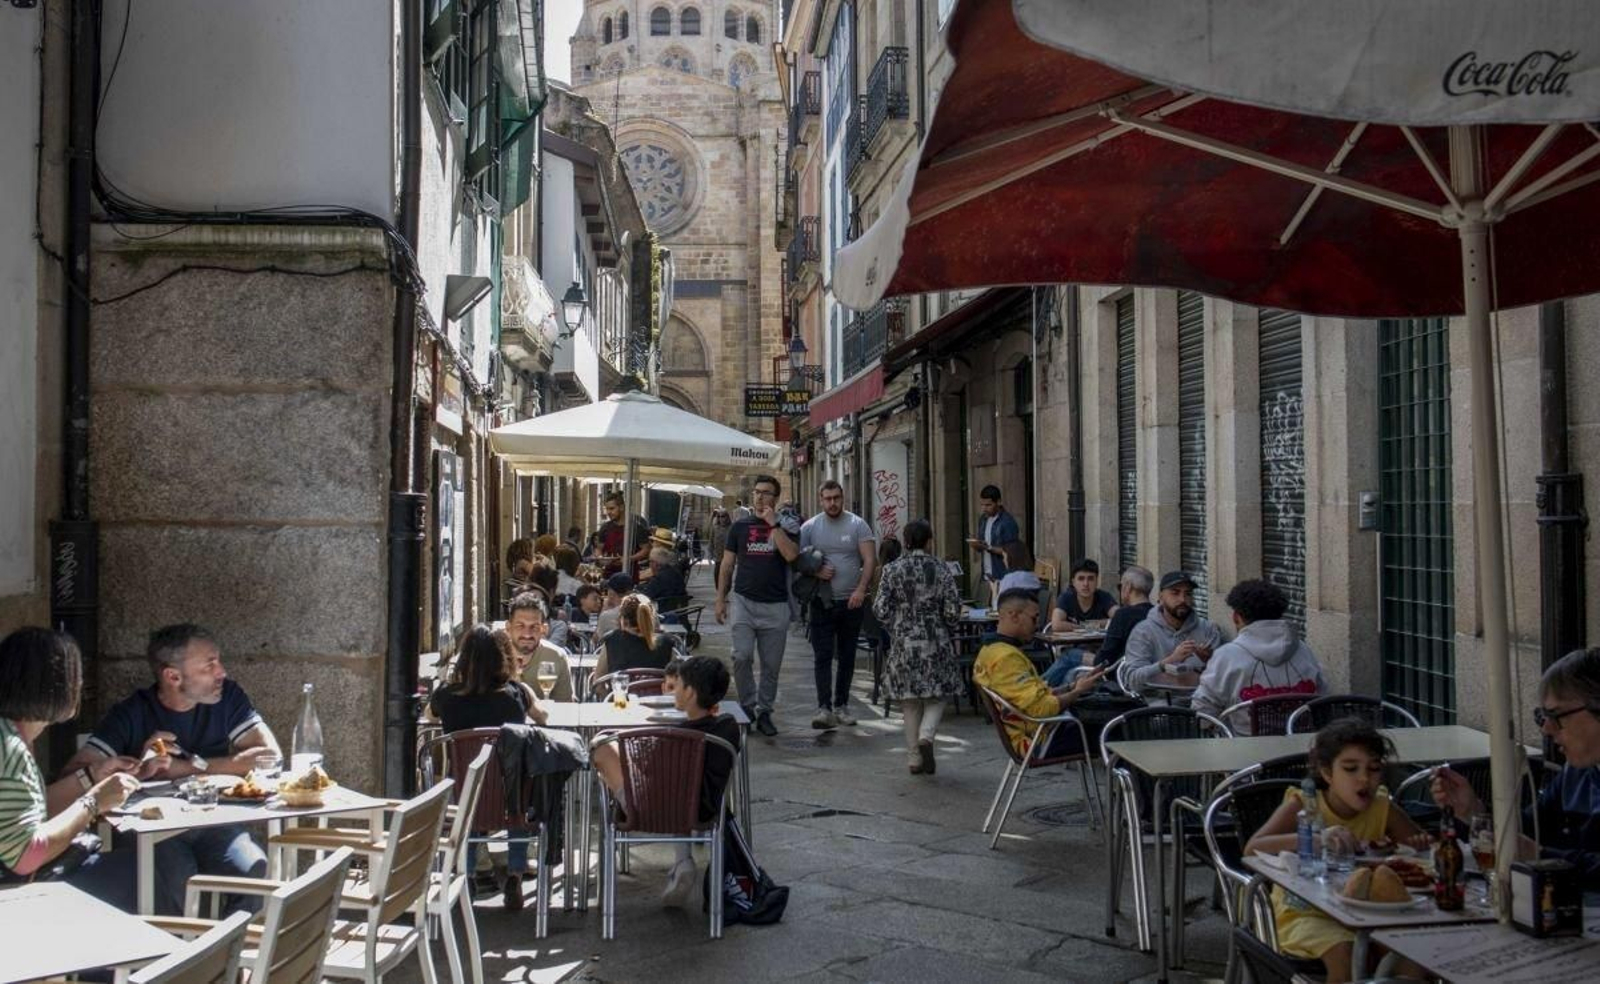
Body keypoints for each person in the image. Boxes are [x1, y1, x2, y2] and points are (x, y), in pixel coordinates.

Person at [61, 623, 277, 914]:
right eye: (209, 666)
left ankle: (230, 951)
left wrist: (185, 768)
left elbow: (269, 756)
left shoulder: (228, 696)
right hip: (158, 829)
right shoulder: (132, 713)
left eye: (219, 662)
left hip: (216, 822)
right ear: (173, 676)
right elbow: (72, 773)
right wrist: (139, 770)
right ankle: (190, 953)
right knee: (180, 884)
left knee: (255, 867)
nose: (221, 672)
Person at [1245, 719, 1430, 983]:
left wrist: (1419, 844)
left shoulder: (1382, 807)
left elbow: (1421, 847)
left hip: (1369, 912)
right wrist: (1315, 838)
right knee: (1345, 952)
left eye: (1374, 768)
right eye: (1351, 769)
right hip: (1305, 911)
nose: (1364, 778)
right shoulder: (1306, 805)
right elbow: (1253, 848)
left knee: (1412, 953)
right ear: (1327, 773)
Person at [1432, 646, 1600, 887]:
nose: (1546, 729)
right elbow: (1531, 827)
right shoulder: (1577, 773)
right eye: (1542, 716)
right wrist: (1472, 811)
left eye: (1558, 715)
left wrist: (1540, 856)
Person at [1, 627, 142, 911]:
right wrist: (93, 803)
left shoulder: (9, 735)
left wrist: (90, 777)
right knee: (149, 873)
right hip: (15, 900)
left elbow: (24, 816)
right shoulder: (10, 750)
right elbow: (26, 855)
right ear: (57, 685)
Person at [592, 656, 741, 907]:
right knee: (683, 785)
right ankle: (682, 860)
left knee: (602, 749)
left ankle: (676, 857)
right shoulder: (727, 729)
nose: (674, 689)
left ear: (690, 693)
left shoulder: (669, 737)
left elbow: (646, 772)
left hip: (649, 810)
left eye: (678, 684)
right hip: (702, 811)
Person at [427, 625, 544, 910]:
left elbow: (428, 716)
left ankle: (467, 875)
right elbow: (543, 716)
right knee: (518, 802)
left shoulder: (446, 695)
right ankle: (516, 871)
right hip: (510, 792)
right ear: (504, 657)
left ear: (464, 658)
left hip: (463, 792)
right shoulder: (515, 693)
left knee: (470, 808)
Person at [973, 590, 1109, 773]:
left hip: (1035, 734)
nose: (1037, 624)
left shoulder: (989, 651)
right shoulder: (1006, 658)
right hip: (1038, 741)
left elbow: (1034, 697)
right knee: (1117, 725)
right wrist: (1076, 692)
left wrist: (1072, 687)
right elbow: (1042, 709)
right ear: (1013, 616)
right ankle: (1133, 795)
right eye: (1034, 618)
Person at [873, 519, 963, 773]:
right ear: (929, 541)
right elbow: (953, 609)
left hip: (904, 641)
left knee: (909, 701)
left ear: (907, 541)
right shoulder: (940, 568)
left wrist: (895, 623)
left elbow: (879, 608)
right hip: (935, 639)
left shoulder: (892, 570)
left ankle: (914, 758)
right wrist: (947, 623)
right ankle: (927, 735)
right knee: (938, 694)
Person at [716, 474, 799, 737]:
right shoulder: (739, 528)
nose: (760, 497)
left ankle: (765, 711)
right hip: (743, 601)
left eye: (766, 493)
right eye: (757, 492)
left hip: (776, 606)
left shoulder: (787, 527)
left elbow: (792, 556)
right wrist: (720, 599)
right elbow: (727, 565)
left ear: (775, 498)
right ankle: (748, 706)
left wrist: (773, 525)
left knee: (771, 665)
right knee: (740, 657)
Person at [1192, 579, 1327, 734]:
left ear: (1236, 617)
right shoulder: (1304, 650)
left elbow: (1202, 715)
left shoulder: (1226, 656)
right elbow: (1323, 701)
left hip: (1245, 752)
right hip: (1299, 748)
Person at [801, 480, 877, 730]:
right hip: (821, 602)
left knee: (847, 656)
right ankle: (824, 708)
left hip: (851, 602)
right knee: (822, 656)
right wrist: (816, 572)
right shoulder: (810, 527)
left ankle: (841, 705)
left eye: (836, 498)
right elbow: (798, 561)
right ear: (820, 499)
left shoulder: (858, 525)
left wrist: (861, 590)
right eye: (828, 499)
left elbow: (869, 559)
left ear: (843, 498)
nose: (832, 503)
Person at [1122, 571, 1224, 695]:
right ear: (1160, 597)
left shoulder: (1208, 630)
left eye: (1188, 594)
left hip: (1200, 703)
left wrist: (1209, 661)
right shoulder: (1143, 631)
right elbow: (1133, 681)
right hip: (1160, 704)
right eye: (1175, 593)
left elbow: (1223, 680)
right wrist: (1169, 661)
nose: (1182, 599)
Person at [505, 593, 574, 702]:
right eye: (520, 626)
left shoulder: (556, 657)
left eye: (534, 627)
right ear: (508, 628)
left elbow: (565, 706)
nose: (527, 634)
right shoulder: (493, 657)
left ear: (544, 630)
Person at [592, 594, 676, 682]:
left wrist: (610, 695)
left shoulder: (613, 640)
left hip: (621, 695)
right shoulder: (665, 643)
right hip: (657, 695)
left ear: (624, 620)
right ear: (650, 619)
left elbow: (598, 682)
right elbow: (678, 680)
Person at [966, 485, 1021, 588]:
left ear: (999, 502)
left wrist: (988, 547)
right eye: (982, 505)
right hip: (987, 576)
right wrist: (977, 544)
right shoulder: (983, 519)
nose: (984, 509)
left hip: (1002, 576)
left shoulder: (1007, 522)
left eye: (988, 505)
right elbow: (983, 544)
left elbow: (1011, 552)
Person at [594, 491, 652, 579]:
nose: (608, 512)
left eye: (612, 508)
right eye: (607, 509)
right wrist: (600, 558)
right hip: (609, 575)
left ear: (621, 507)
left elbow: (646, 549)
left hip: (629, 574)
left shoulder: (636, 528)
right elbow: (598, 548)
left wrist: (629, 559)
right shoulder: (605, 528)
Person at [1050, 559, 1117, 630]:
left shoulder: (1104, 597)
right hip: (1073, 641)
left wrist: (1083, 626)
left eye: (1091, 579)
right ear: (1073, 582)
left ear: (1097, 581)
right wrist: (1086, 627)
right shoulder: (1066, 598)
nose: (1086, 584)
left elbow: (1120, 618)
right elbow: (1056, 624)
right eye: (1081, 579)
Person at [638, 545, 688, 609]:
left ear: (656, 564)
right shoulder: (676, 573)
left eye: (650, 561)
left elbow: (645, 597)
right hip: (679, 612)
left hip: (662, 613)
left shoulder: (659, 579)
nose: (649, 564)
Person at [596, 572, 632, 639]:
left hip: (616, 649)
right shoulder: (648, 611)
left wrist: (604, 609)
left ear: (611, 594)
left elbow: (595, 641)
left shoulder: (606, 616)